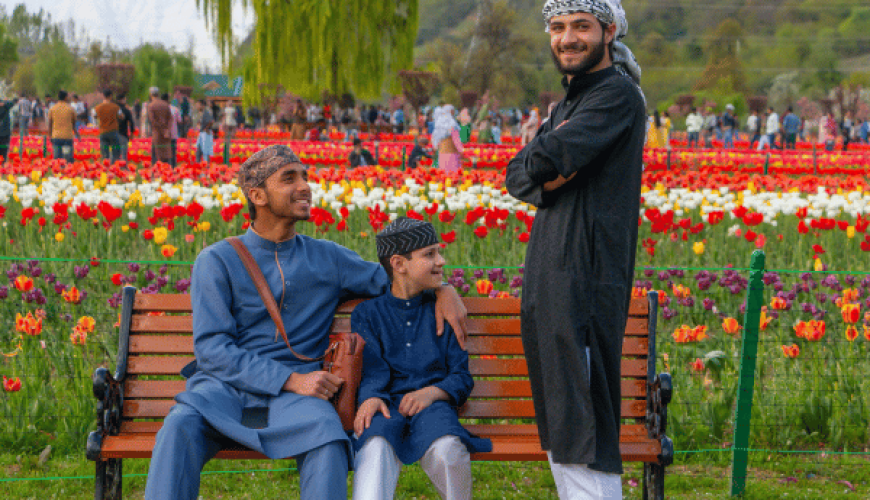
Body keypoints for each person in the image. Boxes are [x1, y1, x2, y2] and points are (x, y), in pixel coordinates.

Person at [142, 145, 468, 500]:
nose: (305, 186)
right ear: (257, 195)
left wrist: (443, 289)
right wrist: (291, 379)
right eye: (289, 178)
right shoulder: (216, 260)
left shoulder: (327, 256)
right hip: (224, 392)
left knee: (327, 435)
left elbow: (398, 279)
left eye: (305, 177)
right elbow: (213, 350)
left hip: (300, 402)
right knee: (178, 426)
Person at [505, 0, 646, 498]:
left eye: (581, 27)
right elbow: (519, 175)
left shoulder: (616, 96)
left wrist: (548, 157)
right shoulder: (570, 103)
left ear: (608, 32)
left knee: (582, 420)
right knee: (562, 421)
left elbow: (541, 159)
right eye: (558, 27)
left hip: (584, 279)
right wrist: (549, 161)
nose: (567, 38)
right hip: (550, 275)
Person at [351, 218, 492, 500]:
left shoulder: (445, 310)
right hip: (387, 404)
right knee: (375, 445)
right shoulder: (368, 314)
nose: (441, 260)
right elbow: (372, 370)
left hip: (434, 407)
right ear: (399, 264)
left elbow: (461, 376)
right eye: (429, 254)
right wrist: (370, 397)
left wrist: (432, 393)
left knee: (448, 450)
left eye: (438, 252)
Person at [47, 90, 79, 163]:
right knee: (68, 159)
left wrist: (49, 135)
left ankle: (58, 172)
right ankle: (68, 171)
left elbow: (50, 124)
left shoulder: (52, 109)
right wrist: (77, 134)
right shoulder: (71, 109)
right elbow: (73, 124)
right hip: (67, 137)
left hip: (56, 137)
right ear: (65, 97)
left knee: (57, 159)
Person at [431, 105, 463, 173]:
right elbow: (456, 139)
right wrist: (461, 150)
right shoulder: (452, 124)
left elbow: (435, 138)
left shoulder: (439, 123)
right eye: (453, 111)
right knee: (453, 173)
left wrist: (435, 146)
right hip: (452, 152)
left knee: (443, 172)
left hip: (442, 152)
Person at [94, 89, 122, 163]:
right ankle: (115, 168)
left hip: (103, 132)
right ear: (110, 96)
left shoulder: (97, 107)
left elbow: (95, 116)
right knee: (116, 153)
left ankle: (106, 169)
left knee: (105, 154)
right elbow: (121, 116)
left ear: (103, 96)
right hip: (113, 132)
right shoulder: (116, 107)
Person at [148, 88, 173, 164]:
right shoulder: (165, 104)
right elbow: (170, 118)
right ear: (158, 94)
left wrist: (160, 129)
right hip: (166, 133)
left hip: (157, 133)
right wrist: (167, 130)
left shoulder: (151, 105)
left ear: (150, 94)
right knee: (166, 155)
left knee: (157, 155)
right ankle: (167, 172)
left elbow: (152, 121)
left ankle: (158, 173)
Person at [116, 93, 135, 162]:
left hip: (113, 134)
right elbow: (131, 123)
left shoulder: (112, 109)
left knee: (114, 154)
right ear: (121, 100)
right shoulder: (126, 111)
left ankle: (113, 169)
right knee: (123, 154)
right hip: (123, 134)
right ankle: (123, 170)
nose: (125, 100)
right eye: (124, 99)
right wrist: (132, 133)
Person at [165, 93, 182, 168]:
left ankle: (166, 167)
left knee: (166, 151)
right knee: (173, 152)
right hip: (174, 134)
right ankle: (173, 167)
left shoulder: (163, 109)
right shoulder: (175, 109)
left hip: (165, 134)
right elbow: (180, 121)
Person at [0, 96, 18, 164]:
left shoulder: (5, 106)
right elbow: (12, 102)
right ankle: (3, 162)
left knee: (3, 148)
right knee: (4, 149)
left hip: (4, 132)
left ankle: (2, 162)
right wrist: (5, 102)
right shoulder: (6, 106)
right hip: (5, 132)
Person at [195, 100, 214, 164]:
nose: (197, 106)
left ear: (202, 105)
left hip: (205, 134)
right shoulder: (201, 113)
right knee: (199, 150)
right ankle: (199, 163)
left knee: (205, 151)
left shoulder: (206, 113)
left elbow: (211, 121)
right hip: (202, 133)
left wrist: (206, 128)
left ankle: (206, 165)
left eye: (198, 105)